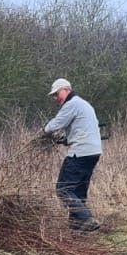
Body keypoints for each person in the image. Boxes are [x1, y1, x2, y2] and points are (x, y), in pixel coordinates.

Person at [42, 77, 104, 232]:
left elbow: (55, 125)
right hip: (93, 152)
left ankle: (87, 218)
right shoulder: (84, 104)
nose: (56, 98)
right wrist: (66, 139)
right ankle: (78, 230)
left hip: (81, 153)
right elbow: (82, 129)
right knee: (78, 192)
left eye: (57, 94)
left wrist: (42, 133)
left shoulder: (72, 104)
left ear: (66, 89)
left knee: (63, 189)